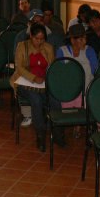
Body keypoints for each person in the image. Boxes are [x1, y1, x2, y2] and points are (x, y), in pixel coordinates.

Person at [10, 24, 62, 152]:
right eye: (37, 38)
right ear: (31, 36)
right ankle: (41, 134)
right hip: (25, 82)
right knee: (36, 100)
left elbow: (52, 67)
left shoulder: (48, 48)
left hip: (43, 82)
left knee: (55, 99)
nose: (39, 42)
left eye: (42, 39)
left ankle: (57, 133)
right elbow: (20, 68)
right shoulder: (22, 46)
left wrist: (46, 79)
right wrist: (33, 78)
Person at [56, 23, 98, 138]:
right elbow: (58, 73)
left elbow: (95, 70)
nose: (84, 42)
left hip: (87, 88)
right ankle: (77, 123)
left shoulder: (89, 51)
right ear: (72, 40)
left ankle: (81, 125)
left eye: (85, 38)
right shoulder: (62, 51)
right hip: (69, 89)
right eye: (81, 39)